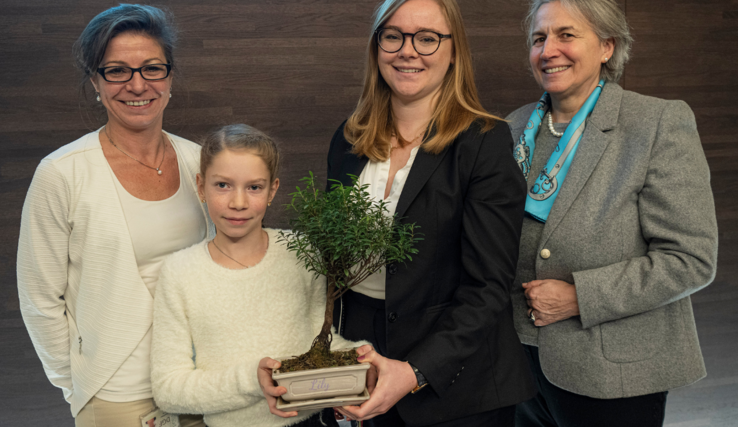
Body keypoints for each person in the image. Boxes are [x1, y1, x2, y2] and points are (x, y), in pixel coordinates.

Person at [315, 0, 537, 425]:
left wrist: (415, 371)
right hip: (367, 368)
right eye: (393, 35)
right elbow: (334, 268)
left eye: (427, 38)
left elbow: (488, 287)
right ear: (377, 46)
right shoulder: (347, 140)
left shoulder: (485, 144)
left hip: (459, 388)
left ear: (454, 51)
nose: (408, 51)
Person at [507, 0, 719, 426]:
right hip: (516, 366)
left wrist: (580, 297)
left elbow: (689, 260)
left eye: (566, 35)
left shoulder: (656, 123)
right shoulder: (511, 127)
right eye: (539, 38)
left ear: (607, 46)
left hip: (612, 371)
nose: (548, 50)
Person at [16, 4, 212, 426]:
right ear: (95, 82)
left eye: (152, 68)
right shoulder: (62, 172)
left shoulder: (200, 162)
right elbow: (39, 299)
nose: (137, 84)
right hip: (115, 393)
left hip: (198, 382)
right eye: (117, 70)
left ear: (170, 77)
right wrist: (76, 387)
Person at [151, 124, 368, 427]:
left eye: (254, 187)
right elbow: (169, 390)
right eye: (222, 185)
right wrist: (252, 379)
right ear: (201, 186)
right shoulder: (180, 272)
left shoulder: (300, 252)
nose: (238, 202)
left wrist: (356, 356)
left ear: (272, 190)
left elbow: (320, 344)